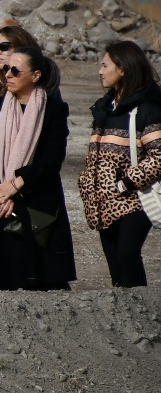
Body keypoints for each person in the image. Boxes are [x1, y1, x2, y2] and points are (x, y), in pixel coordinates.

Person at [0, 46, 76, 291]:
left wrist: (16, 185)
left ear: (36, 76)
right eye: (6, 68)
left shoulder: (53, 109)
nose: (7, 74)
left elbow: (52, 159)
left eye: (16, 71)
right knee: (1, 279)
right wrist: (2, 191)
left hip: (37, 201)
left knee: (41, 282)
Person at [78, 41, 161, 287]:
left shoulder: (146, 109)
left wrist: (125, 183)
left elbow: (159, 156)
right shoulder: (105, 109)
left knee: (127, 256)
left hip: (135, 199)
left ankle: (143, 315)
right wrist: (87, 184)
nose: (100, 71)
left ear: (122, 69)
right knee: (115, 264)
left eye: (105, 65)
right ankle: (125, 320)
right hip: (104, 201)